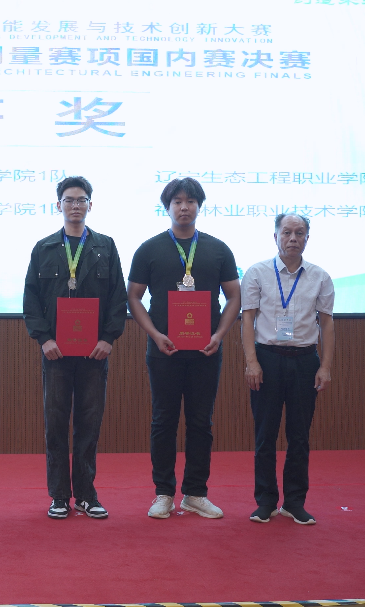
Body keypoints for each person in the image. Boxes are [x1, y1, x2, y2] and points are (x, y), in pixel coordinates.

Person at [128, 177, 239, 520]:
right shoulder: (149, 249)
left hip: (206, 350)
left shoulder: (218, 249)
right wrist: (154, 334)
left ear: (199, 206)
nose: (184, 207)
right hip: (165, 351)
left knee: (201, 422)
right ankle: (163, 493)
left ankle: (195, 493)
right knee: (163, 421)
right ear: (167, 207)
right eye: (177, 201)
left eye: (190, 201)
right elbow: (133, 296)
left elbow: (234, 296)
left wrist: (219, 335)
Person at [23, 176, 128, 520]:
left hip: (94, 353)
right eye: (69, 200)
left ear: (90, 205)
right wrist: (44, 338)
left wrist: (108, 338)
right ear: (59, 205)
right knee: (55, 425)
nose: (75, 205)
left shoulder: (105, 246)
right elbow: (31, 299)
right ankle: (59, 496)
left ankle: (85, 494)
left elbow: (117, 296)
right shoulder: (44, 248)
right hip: (56, 353)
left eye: (81, 200)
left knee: (89, 423)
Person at [240, 212, 334, 525]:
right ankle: (265, 501)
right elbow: (248, 319)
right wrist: (252, 362)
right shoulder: (257, 272)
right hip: (267, 359)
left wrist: (325, 366)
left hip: (305, 361)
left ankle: (294, 502)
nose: (293, 238)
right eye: (287, 232)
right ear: (276, 236)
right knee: (265, 435)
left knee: (300, 436)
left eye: (299, 233)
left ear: (307, 237)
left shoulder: (320, 276)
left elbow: (327, 324)